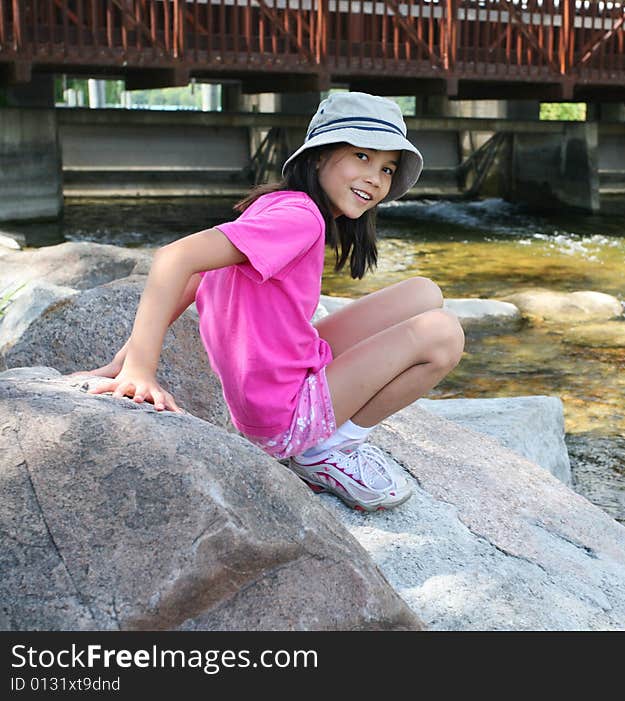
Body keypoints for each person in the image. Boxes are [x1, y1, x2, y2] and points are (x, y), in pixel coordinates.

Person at [81, 92, 465, 512]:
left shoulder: (277, 205)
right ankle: (326, 452)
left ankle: (322, 437)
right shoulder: (298, 218)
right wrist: (140, 369)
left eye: (387, 167)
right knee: (443, 334)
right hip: (284, 419)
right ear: (319, 156)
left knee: (424, 292)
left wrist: (126, 358)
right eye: (361, 155)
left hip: (285, 381)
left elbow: (196, 277)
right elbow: (175, 258)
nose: (375, 177)